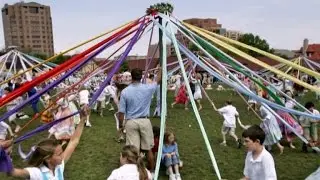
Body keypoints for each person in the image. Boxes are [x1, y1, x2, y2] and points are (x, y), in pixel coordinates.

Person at [8, 105, 89, 179]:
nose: (62, 155)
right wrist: (4, 155)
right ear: (47, 159)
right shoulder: (37, 173)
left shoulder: (59, 167)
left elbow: (73, 142)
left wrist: (83, 119)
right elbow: (13, 172)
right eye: (59, 154)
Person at [119, 67, 161, 176]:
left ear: (131, 77)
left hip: (131, 122)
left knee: (133, 151)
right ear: (141, 76)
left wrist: (120, 125)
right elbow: (158, 80)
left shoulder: (125, 91)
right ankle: (151, 172)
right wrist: (161, 68)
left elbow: (121, 112)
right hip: (145, 121)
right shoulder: (148, 88)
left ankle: (134, 174)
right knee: (149, 149)